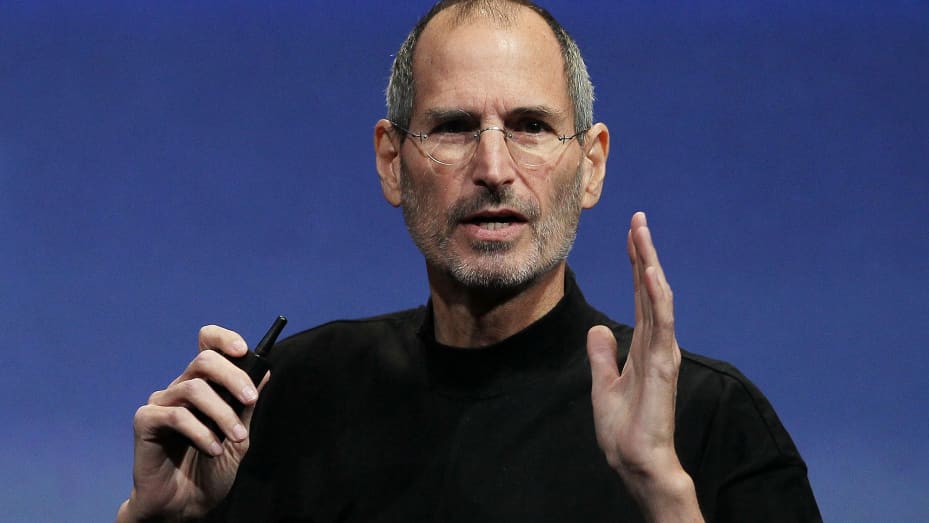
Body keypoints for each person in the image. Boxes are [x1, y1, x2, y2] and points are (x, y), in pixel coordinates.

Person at [117, 1, 821, 521]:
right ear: (391, 163)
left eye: (531, 127)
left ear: (591, 164)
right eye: (453, 127)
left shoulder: (705, 421)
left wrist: (661, 489)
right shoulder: (280, 404)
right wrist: (156, 519)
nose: (493, 167)